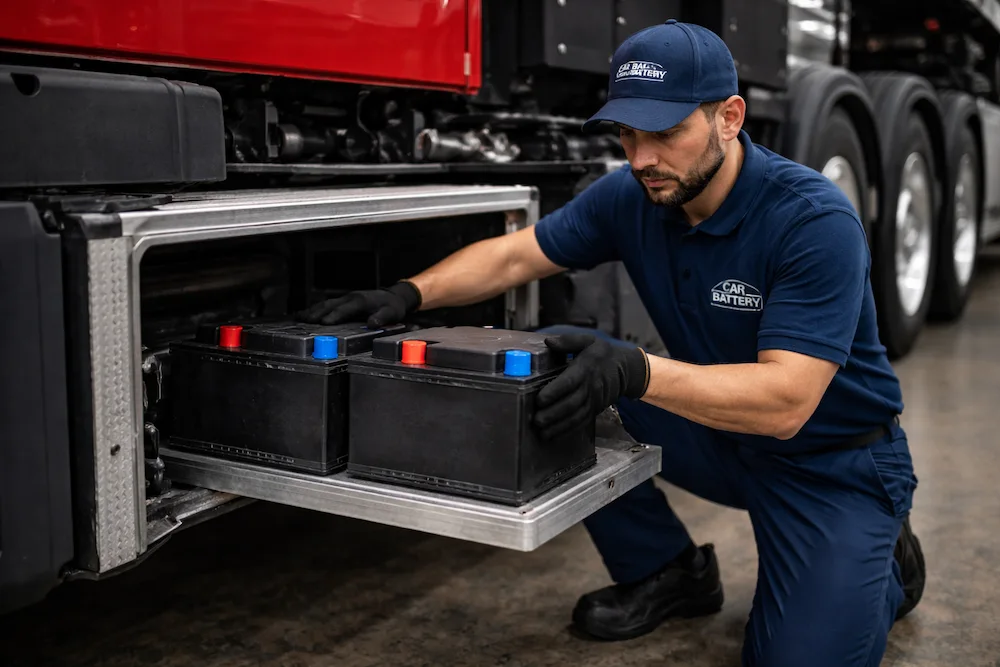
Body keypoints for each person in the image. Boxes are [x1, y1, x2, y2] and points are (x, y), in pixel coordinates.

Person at [300, 19, 926, 666]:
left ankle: (882, 558)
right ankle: (664, 568)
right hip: (720, 436)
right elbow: (516, 256)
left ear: (730, 117)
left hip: (829, 462)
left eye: (665, 133)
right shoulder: (634, 196)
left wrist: (637, 371)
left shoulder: (810, 220)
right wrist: (408, 293)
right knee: (554, 368)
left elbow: (787, 401)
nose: (641, 157)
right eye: (628, 133)